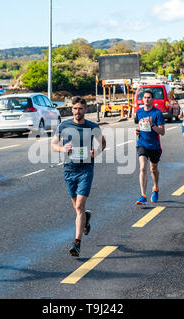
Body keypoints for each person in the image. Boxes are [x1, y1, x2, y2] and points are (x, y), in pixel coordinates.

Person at [51, 97, 106, 257]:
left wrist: (97, 152)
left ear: (85, 110)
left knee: (80, 206)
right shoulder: (64, 125)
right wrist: (62, 149)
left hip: (86, 169)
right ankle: (85, 220)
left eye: (80, 109)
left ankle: (77, 243)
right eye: (75, 109)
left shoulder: (93, 127)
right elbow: (53, 144)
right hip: (69, 169)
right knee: (77, 209)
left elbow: (102, 143)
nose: (77, 112)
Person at [134, 90, 165, 205]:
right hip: (142, 144)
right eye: (145, 97)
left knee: (153, 169)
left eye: (149, 97)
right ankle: (143, 195)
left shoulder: (157, 113)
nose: (146, 99)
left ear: (152, 99)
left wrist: (152, 125)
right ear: (142, 99)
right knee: (142, 168)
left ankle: (155, 188)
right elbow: (140, 126)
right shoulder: (139, 112)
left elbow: (162, 132)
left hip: (155, 146)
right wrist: (138, 131)